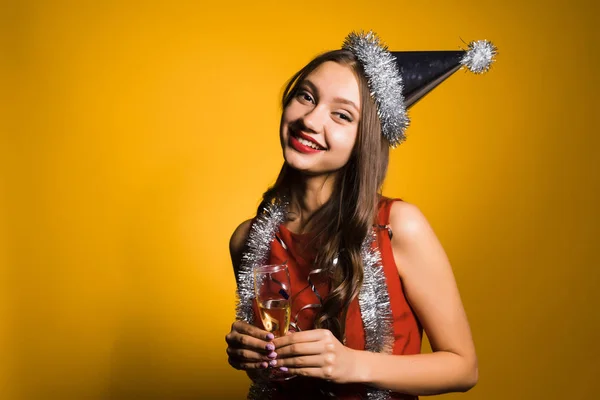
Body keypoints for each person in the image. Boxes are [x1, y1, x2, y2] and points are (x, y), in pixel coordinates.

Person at [225, 31, 496, 399]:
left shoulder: (397, 225)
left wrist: (351, 364)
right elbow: (276, 367)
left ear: (363, 138)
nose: (311, 119)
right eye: (306, 96)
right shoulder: (249, 240)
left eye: (341, 115)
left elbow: (463, 367)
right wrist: (251, 353)